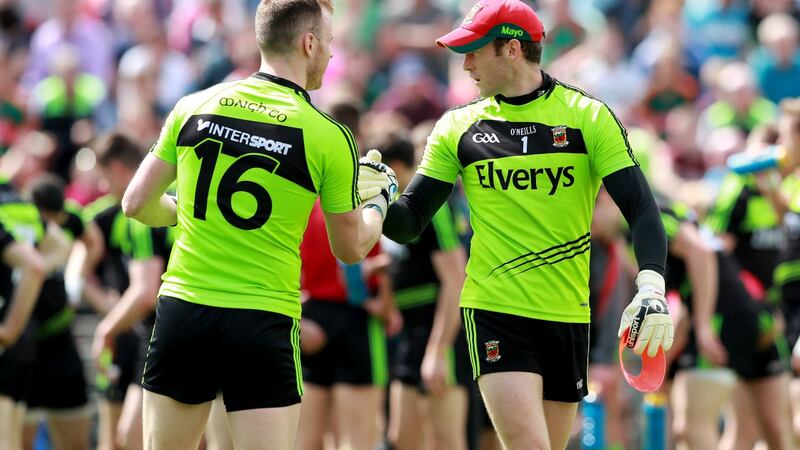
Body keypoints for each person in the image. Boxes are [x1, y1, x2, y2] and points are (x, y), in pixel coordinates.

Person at [379, 1, 673, 448]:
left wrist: (652, 287)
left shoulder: (588, 116)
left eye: (475, 51)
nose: (466, 64)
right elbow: (407, 222)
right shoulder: (458, 126)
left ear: (512, 49)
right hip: (495, 309)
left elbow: (642, 209)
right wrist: (374, 196)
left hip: (568, 314)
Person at [120, 0, 394, 448]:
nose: (329, 54)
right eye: (327, 44)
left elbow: (136, 203)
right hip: (262, 321)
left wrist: (187, 214)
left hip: (185, 311)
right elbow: (350, 249)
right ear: (308, 44)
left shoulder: (195, 104)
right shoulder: (327, 133)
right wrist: (381, 199)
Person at [377, 131, 470, 450]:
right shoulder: (394, 209)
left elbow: (455, 280)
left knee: (445, 441)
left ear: (399, 167)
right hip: (410, 333)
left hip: (438, 329)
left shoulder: (433, 206)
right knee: (401, 438)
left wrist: (438, 350)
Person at [296, 200, 396, 450]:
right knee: (356, 442)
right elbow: (387, 264)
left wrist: (297, 320)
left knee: (304, 442)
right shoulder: (372, 201)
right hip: (355, 322)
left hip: (314, 321)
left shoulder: (306, 201)